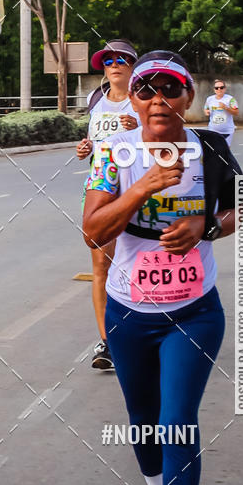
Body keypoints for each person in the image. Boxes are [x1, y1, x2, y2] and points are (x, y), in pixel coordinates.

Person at [83, 50, 241, 485]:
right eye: (145, 89)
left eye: (169, 89)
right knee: (144, 417)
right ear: (133, 97)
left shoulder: (211, 150)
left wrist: (208, 228)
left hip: (194, 311)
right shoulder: (114, 153)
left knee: (179, 418)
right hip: (130, 312)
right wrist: (142, 188)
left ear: (187, 97)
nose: (156, 100)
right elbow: (93, 232)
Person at [76, 38, 139, 370]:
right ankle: (108, 342)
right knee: (101, 267)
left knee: (137, 264)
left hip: (137, 189)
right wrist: (85, 148)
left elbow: (167, 135)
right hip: (101, 189)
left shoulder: (143, 98)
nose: (114, 64)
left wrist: (139, 126)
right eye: (108, 60)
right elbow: (96, 142)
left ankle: (145, 331)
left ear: (132, 65)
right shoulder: (95, 99)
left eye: (121, 59)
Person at [204, 79, 238, 146]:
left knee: (225, 152)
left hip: (227, 131)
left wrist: (225, 107)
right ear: (214, 90)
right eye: (216, 88)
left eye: (221, 87)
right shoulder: (209, 99)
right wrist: (206, 112)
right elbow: (206, 108)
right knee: (214, 151)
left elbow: (236, 112)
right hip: (213, 130)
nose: (219, 89)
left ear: (225, 89)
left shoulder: (230, 99)